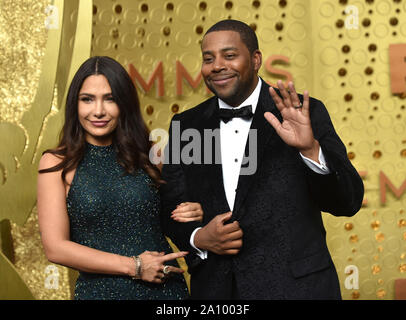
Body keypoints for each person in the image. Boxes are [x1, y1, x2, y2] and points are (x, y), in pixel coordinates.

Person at [160, 20, 364, 299]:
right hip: (218, 293)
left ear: (255, 59)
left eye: (230, 56)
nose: (217, 65)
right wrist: (199, 238)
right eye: (209, 59)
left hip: (298, 290)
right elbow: (169, 205)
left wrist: (310, 149)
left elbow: (347, 202)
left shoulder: (303, 113)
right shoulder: (187, 125)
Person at [37, 56, 203, 300]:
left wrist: (195, 211)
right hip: (99, 294)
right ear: (75, 104)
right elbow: (56, 248)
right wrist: (135, 266)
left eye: (110, 99)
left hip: (166, 293)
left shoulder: (151, 155)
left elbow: (174, 217)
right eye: (87, 100)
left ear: (124, 103)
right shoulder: (56, 163)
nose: (98, 111)